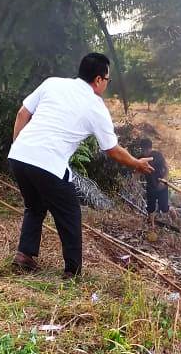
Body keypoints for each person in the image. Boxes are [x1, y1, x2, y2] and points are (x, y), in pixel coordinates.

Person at [8, 52, 154, 278]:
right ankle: (72, 271)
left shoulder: (52, 83)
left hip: (18, 155)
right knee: (69, 213)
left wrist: (21, 147)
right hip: (48, 163)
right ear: (98, 79)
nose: (107, 84)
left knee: (35, 206)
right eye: (108, 80)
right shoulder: (95, 106)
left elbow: (22, 113)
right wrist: (136, 163)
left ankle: (24, 256)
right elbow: (112, 149)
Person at [139, 137, 170, 238]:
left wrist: (165, 179)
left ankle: (174, 216)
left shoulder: (158, 155)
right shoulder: (141, 158)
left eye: (146, 150)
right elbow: (137, 169)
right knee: (151, 207)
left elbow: (166, 167)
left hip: (161, 186)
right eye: (143, 150)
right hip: (151, 186)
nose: (145, 152)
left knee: (164, 208)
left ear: (150, 148)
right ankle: (152, 227)